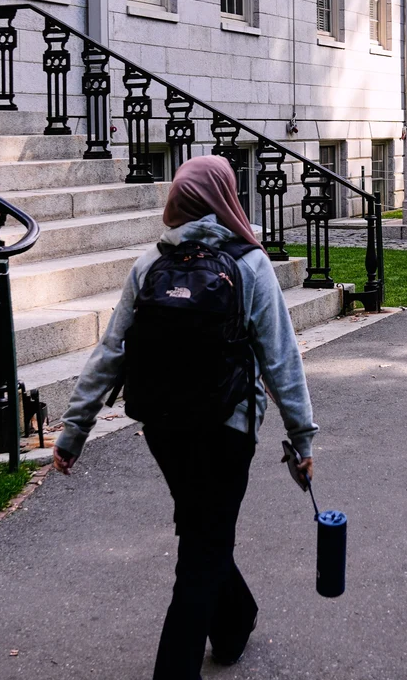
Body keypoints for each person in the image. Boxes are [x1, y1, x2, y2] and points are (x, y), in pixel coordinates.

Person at [52, 156, 316, 678]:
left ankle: (236, 622)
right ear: (226, 198)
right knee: (202, 548)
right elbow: (280, 358)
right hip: (227, 428)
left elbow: (111, 351)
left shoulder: (151, 264)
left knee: (201, 528)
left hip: (163, 428)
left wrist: (74, 430)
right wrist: (302, 437)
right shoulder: (248, 264)